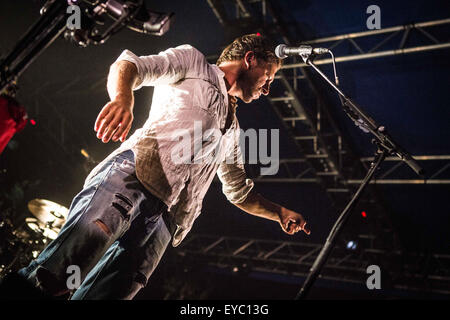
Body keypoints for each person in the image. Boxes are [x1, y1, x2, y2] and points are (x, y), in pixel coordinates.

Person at [17, 34, 310, 300]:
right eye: (268, 76)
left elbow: (238, 191)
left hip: (165, 223)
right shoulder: (194, 63)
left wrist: (279, 213)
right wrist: (123, 98)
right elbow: (129, 64)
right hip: (132, 181)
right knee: (56, 275)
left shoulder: (232, 131)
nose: (268, 88)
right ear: (250, 59)